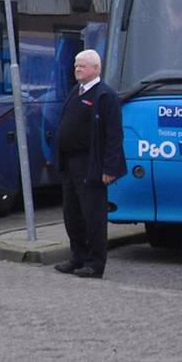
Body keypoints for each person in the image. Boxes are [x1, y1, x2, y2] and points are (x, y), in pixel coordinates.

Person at [53, 49, 125, 279]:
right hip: (70, 164)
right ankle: (78, 257)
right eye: (76, 65)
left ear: (96, 68)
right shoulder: (76, 91)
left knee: (92, 215)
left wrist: (110, 168)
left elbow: (114, 134)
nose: (77, 69)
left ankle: (95, 263)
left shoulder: (105, 96)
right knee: (72, 214)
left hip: (91, 164)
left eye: (82, 66)